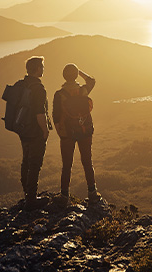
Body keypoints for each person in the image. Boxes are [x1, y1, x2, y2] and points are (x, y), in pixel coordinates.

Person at [53, 63, 98, 202]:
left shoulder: (59, 95)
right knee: (87, 162)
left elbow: (55, 117)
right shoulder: (82, 91)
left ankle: (64, 196)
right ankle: (92, 193)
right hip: (85, 131)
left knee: (67, 165)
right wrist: (80, 72)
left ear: (64, 76)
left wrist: (61, 134)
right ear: (75, 75)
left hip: (67, 133)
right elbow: (92, 81)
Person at [17, 56, 51, 209]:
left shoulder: (23, 85)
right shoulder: (38, 88)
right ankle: (31, 199)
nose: (43, 69)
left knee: (26, 161)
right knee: (35, 163)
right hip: (35, 131)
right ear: (37, 69)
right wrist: (45, 130)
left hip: (23, 129)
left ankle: (27, 194)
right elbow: (40, 113)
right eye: (42, 67)